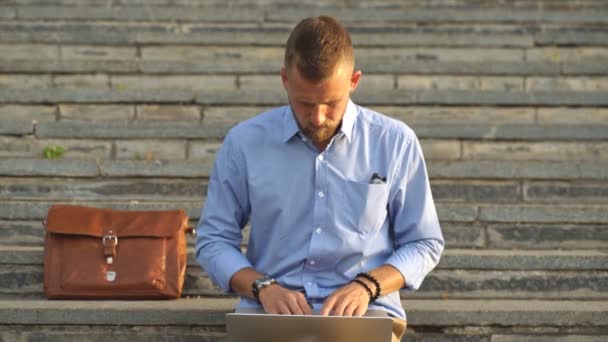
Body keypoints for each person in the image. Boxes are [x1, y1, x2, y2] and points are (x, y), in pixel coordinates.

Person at [195, 15, 444, 341]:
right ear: (285, 79)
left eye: (331, 103)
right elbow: (213, 239)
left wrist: (368, 286)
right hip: (268, 314)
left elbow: (424, 242)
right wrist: (262, 287)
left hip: (367, 315)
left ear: (354, 81)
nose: (318, 117)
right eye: (305, 102)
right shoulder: (244, 143)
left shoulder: (394, 142)